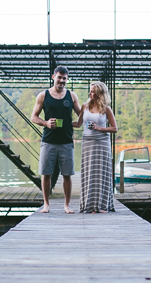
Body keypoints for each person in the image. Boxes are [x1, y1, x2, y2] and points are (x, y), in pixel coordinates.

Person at [30, 66, 82, 213]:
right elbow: (34, 117)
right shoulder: (43, 95)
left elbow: (81, 114)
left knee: (67, 175)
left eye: (64, 78)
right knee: (46, 173)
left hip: (66, 141)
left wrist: (77, 123)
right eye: (59, 77)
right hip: (48, 141)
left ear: (67, 79)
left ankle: (67, 205)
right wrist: (46, 123)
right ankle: (46, 204)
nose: (62, 81)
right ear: (53, 77)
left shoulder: (71, 96)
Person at [73, 81, 117, 213]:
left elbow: (114, 129)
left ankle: (102, 205)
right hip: (87, 142)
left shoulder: (106, 108)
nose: (89, 93)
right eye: (90, 91)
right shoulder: (85, 106)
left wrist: (99, 128)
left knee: (102, 173)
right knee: (89, 173)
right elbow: (78, 124)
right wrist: (62, 122)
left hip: (102, 143)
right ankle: (90, 205)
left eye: (92, 91)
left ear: (99, 94)